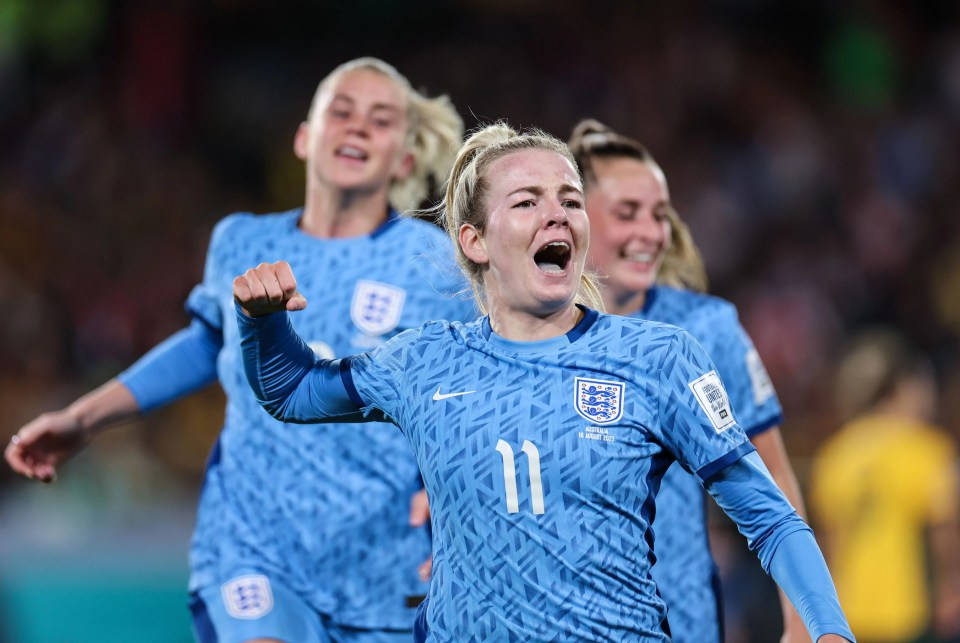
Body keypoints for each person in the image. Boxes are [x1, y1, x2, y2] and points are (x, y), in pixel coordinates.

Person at [229, 123, 856, 642]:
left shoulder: (659, 358)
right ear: (474, 241)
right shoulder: (423, 361)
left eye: (570, 200)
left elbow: (770, 518)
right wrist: (262, 322)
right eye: (527, 201)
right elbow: (290, 389)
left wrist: (829, 631)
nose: (556, 214)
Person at [5, 57, 476, 643]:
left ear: (405, 157)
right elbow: (207, 345)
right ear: (305, 138)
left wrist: (455, 494)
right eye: (341, 112)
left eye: (380, 120)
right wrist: (82, 420)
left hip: (380, 566)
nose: (357, 127)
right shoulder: (242, 241)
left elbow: (470, 391)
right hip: (253, 544)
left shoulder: (433, 263)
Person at [568, 119, 811, 642]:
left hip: (680, 619)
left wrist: (801, 619)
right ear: (575, 218)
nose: (652, 233)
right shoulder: (526, 332)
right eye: (626, 213)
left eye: (659, 215)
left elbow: (775, 484)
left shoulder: (707, 329)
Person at [811, 329, 960, 643]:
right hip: (910, 612)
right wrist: (951, 586)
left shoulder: (835, 453)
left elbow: (829, 540)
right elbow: (944, 527)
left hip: (849, 611)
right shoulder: (925, 449)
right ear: (905, 386)